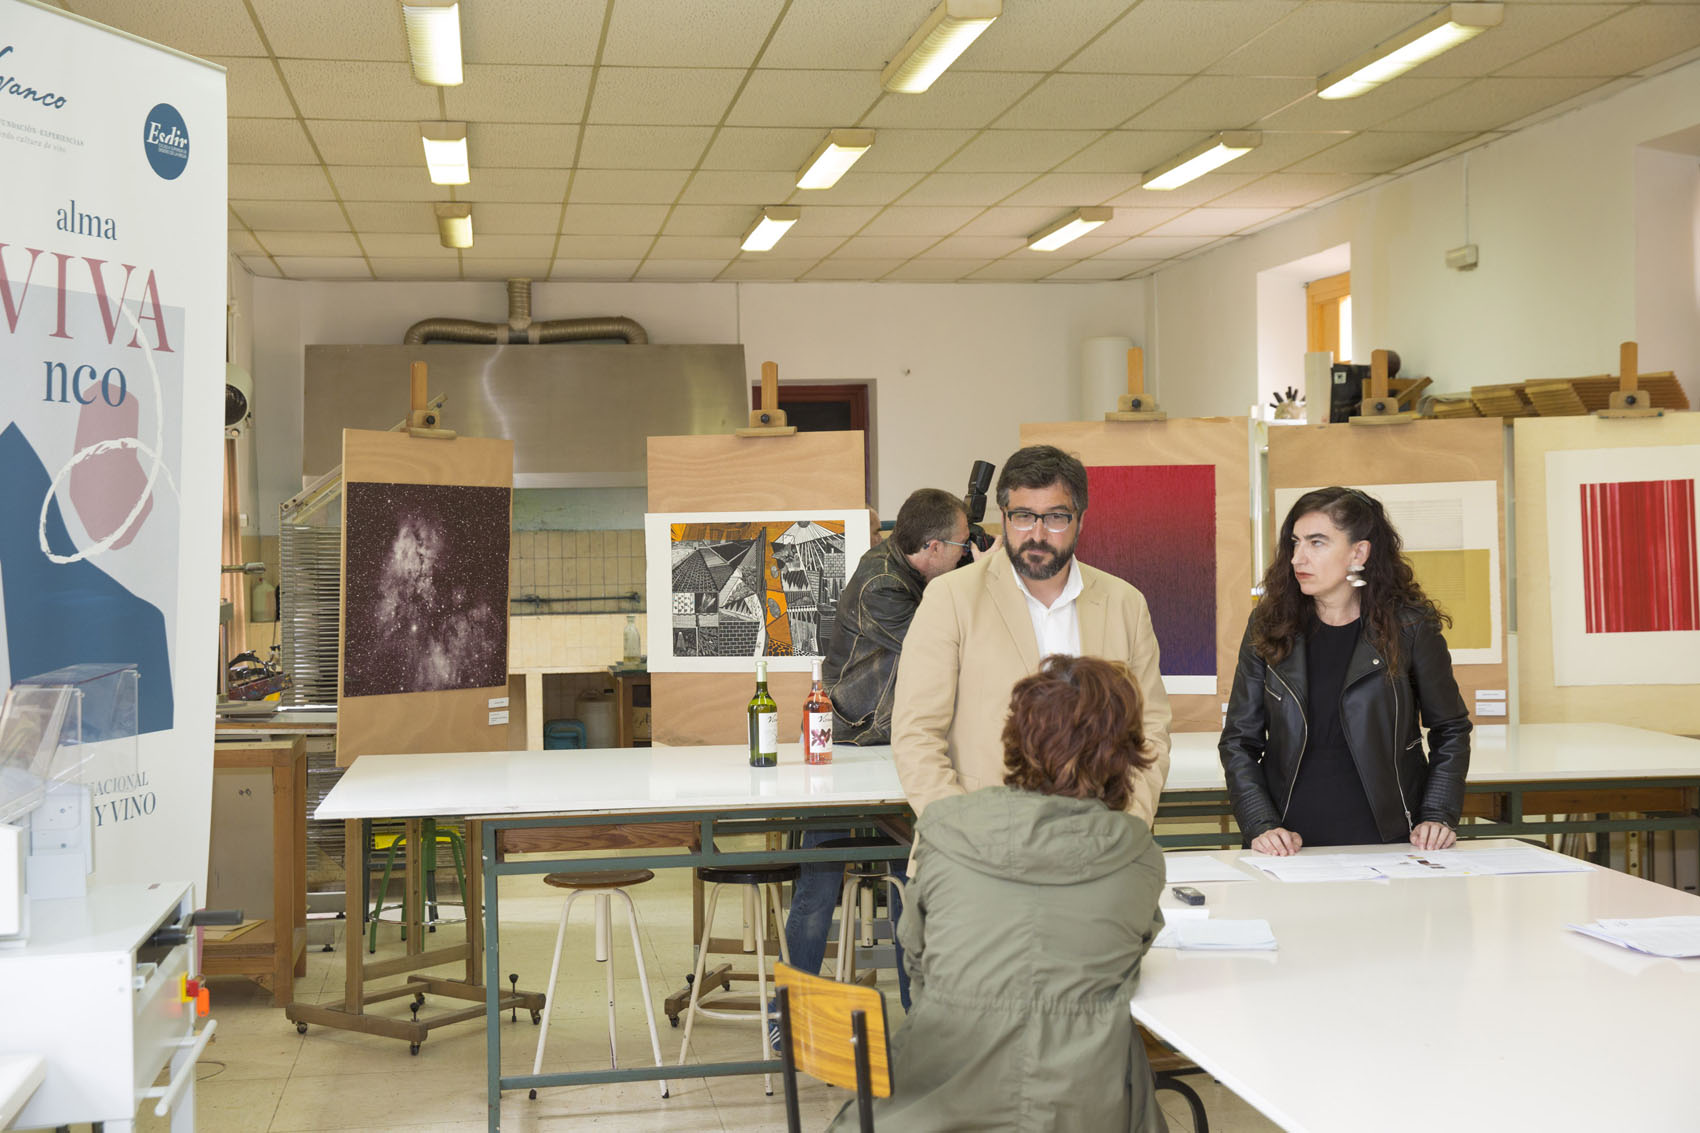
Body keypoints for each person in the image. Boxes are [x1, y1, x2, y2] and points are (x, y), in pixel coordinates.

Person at [831, 655, 1168, 1132]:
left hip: (934, 1099)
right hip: (1084, 1105)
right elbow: (1131, 956)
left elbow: (916, 958)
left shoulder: (946, 832)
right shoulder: (1137, 856)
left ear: (1017, 738)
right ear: (1124, 752)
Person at [892, 444, 1172, 827]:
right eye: (1023, 516)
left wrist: (1128, 824)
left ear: (1080, 520)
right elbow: (917, 734)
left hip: (1095, 843)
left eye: (1056, 517)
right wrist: (965, 833)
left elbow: (1150, 731)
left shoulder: (1125, 603)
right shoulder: (950, 599)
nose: (1037, 534)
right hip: (978, 843)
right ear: (1004, 518)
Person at [777, 488, 974, 1028]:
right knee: (819, 887)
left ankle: (919, 1015)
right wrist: (984, 581)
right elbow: (941, 647)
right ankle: (792, 1016)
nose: (965, 553)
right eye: (959, 546)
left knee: (908, 884)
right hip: (849, 747)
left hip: (891, 748)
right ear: (931, 548)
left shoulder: (911, 571)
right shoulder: (883, 584)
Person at [1219, 486, 1471, 855]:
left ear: (1359, 552)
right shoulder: (1268, 625)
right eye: (1295, 542)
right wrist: (1261, 823)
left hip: (1389, 840)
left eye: (1317, 543)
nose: (1298, 558)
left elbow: (1451, 728)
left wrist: (1437, 814)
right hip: (1287, 843)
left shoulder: (1409, 626)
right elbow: (1239, 741)